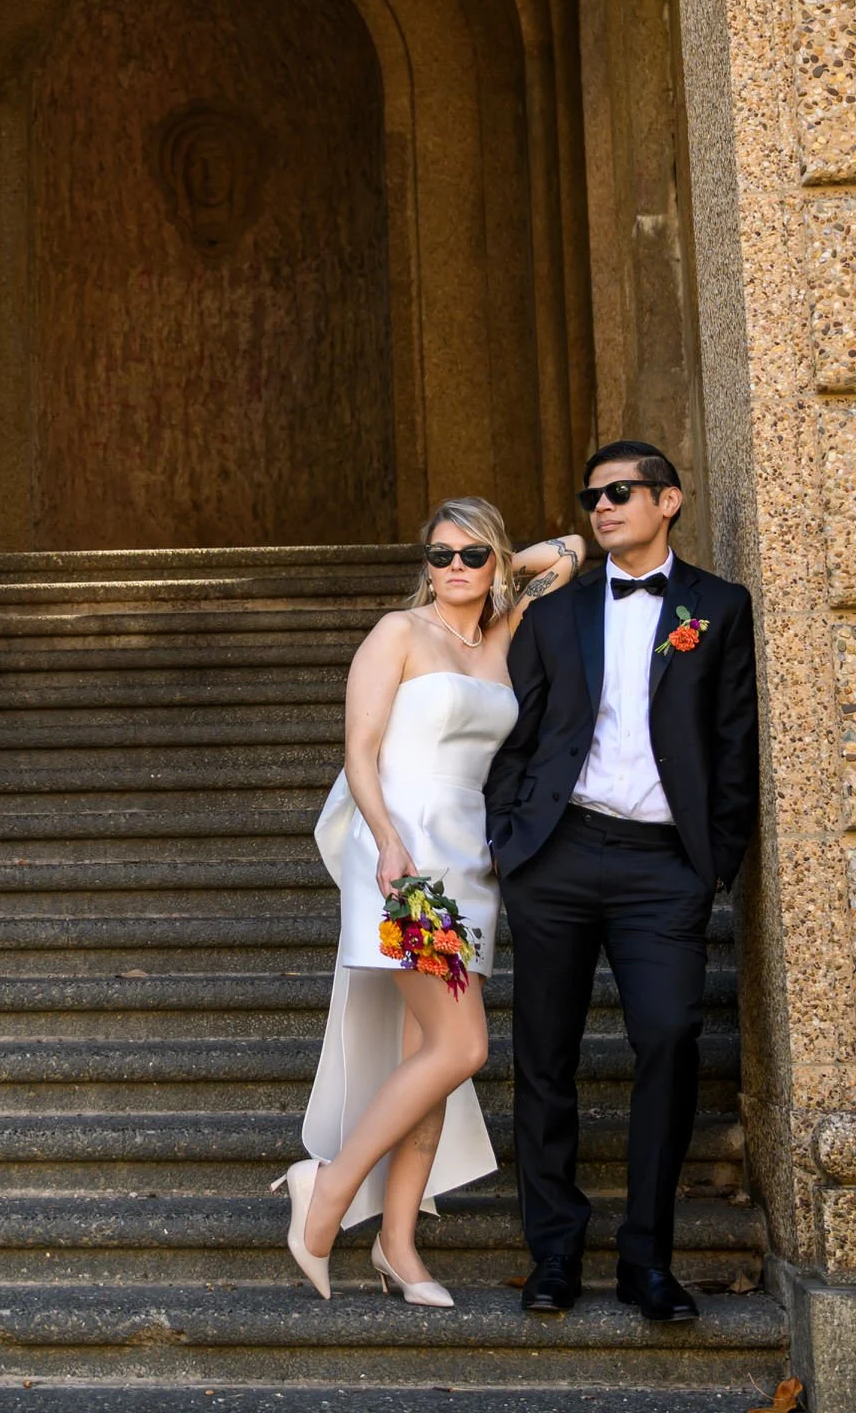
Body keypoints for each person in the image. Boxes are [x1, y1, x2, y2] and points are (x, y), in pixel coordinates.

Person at [275, 499, 592, 1305]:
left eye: (470, 555)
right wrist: (384, 842)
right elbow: (360, 748)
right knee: (462, 1047)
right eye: (438, 553)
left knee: (433, 1055)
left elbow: (573, 551)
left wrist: (502, 566)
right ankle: (328, 1187)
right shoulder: (397, 633)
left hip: (470, 861)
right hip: (405, 856)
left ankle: (399, 1244)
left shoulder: (503, 634)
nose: (452, 567)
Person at [483, 441, 759, 1324]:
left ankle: (648, 1259)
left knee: (672, 1036)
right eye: (591, 497)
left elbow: (734, 741)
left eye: (621, 493)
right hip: (558, 855)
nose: (602, 508)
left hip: (660, 868)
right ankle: (554, 1253)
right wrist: (509, 836)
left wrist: (713, 859)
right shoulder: (557, 613)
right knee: (544, 1056)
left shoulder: (717, 606)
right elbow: (513, 732)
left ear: (669, 500)